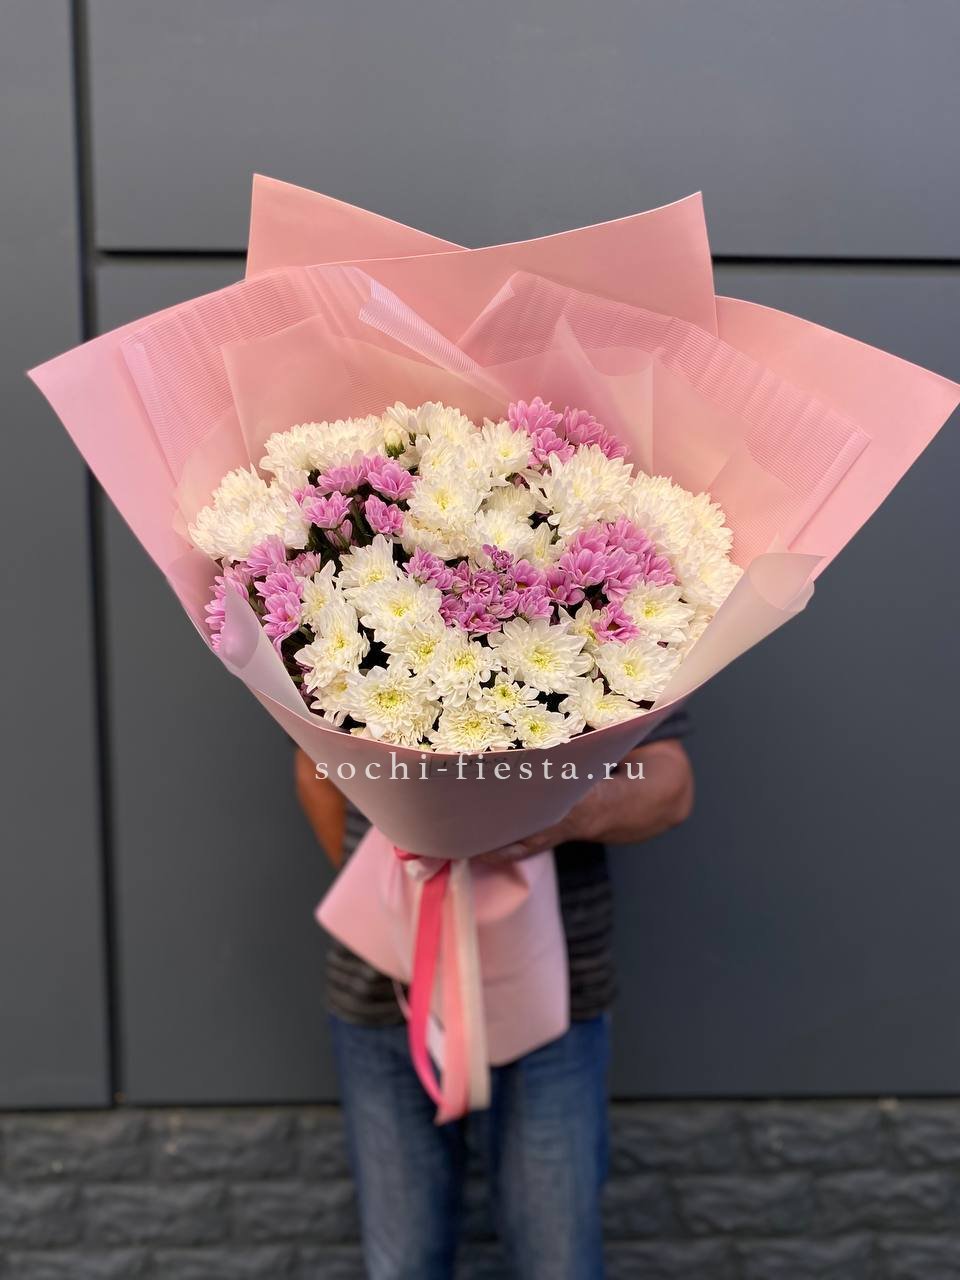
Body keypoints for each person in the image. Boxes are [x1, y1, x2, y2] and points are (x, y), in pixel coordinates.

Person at [295, 710, 693, 1280]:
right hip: (384, 988)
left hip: (557, 996)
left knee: (558, 1260)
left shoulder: (630, 644)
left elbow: (668, 780)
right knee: (402, 1262)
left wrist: (567, 808)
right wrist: (396, 898)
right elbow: (314, 765)